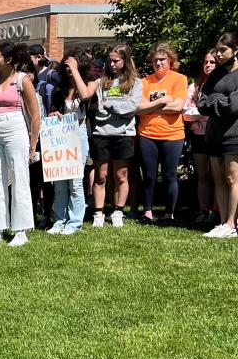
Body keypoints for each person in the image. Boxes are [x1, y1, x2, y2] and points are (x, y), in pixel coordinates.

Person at [65, 43, 140, 228]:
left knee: (121, 175)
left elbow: (131, 108)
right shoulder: (101, 81)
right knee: (101, 175)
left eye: (116, 61)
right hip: (101, 133)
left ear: (125, 61)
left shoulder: (135, 83)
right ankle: (99, 212)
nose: (112, 64)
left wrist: (109, 105)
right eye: (110, 61)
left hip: (123, 133)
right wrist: (74, 70)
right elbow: (84, 95)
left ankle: (118, 211)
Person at [0, 43, 40, 246]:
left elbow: (35, 115)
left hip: (15, 128)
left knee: (19, 177)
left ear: (7, 58)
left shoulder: (22, 80)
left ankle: (21, 229)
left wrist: (33, 146)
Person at [136, 43, 188, 225]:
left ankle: (169, 213)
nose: (158, 63)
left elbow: (178, 107)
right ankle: (148, 212)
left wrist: (152, 107)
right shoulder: (144, 82)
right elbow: (139, 109)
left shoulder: (179, 79)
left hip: (173, 135)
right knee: (149, 175)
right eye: (155, 60)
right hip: (147, 134)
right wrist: (165, 100)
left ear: (170, 61)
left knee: (169, 175)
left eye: (162, 60)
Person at [44, 52, 91, 235]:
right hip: (61, 136)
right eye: (66, 66)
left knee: (76, 182)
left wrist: (75, 70)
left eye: (72, 66)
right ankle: (59, 220)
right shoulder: (59, 89)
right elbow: (55, 110)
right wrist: (54, 116)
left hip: (78, 136)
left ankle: (75, 222)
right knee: (60, 182)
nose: (68, 70)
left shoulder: (88, 84)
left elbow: (86, 96)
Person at [197, 31, 238, 238]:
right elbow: (201, 104)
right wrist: (218, 101)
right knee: (218, 178)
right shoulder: (215, 74)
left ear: (236, 49)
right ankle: (222, 221)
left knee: (232, 178)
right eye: (217, 50)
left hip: (234, 134)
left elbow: (234, 106)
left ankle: (232, 224)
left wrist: (213, 100)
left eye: (224, 50)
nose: (219, 55)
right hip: (213, 134)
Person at [184, 50, 217, 226]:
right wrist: (205, 112)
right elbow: (186, 114)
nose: (208, 65)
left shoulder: (223, 84)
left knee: (219, 177)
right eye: (206, 62)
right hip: (199, 136)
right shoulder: (195, 86)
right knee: (203, 175)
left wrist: (199, 112)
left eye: (212, 62)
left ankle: (217, 211)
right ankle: (203, 210)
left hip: (218, 136)